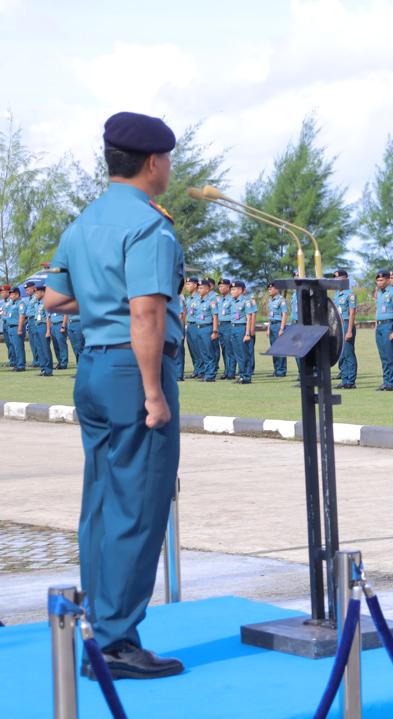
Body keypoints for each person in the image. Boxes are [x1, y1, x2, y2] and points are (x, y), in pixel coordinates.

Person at [41, 110, 185, 679]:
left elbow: (54, 299)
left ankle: (97, 627)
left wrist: (103, 299)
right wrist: (154, 393)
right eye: (167, 159)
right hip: (133, 371)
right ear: (152, 162)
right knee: (139, 504)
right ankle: (117, 642)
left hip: (94, 368)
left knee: (101, 503)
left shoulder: (84, 222)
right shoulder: (149, 225)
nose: (168, 168)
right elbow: (147, 313)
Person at [373, 270, 393, 391]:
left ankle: (391, 382)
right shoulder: (379, 293)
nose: (379, 282)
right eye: (377, 280)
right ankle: (386, 380)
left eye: (381, 280)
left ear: (388, 280)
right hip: (379, 326)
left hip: (388, 325)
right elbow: (378, 311)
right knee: (383, 356)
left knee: (389, 355)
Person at [229, 281, 255, 384]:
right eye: (231, 289)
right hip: (233, 328)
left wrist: (247, 333)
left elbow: (249, 317)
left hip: (242, 328)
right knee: (238, 354)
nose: (232, 291)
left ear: (240, 290)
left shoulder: (246, 301)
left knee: (244, 354)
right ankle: (242, 375)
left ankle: (247, 377)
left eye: (234, 289)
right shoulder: (232, 301)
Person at [266, 281, 289, 378]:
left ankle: (281, 370)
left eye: (271, 288)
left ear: (276, 289)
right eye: (268, 289)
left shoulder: (281, 300)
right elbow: (270, 316)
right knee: (274, 349)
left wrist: (282, 328)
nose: (269, 290)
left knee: (280, 349)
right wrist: (268, 328)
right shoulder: (271, 300)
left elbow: (285, 314)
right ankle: (276, 369)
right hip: (272, 325)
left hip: (279, 325)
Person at [214, 278, 233, 379]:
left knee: (230, 350)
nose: (220, 288)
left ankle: (231, 372)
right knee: (224, 350)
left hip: (229, 325)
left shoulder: (232, 298)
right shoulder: (219, 299)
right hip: (221, 326)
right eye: (219, 286)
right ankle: (227, 370)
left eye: (222, 286)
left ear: (228, 287)